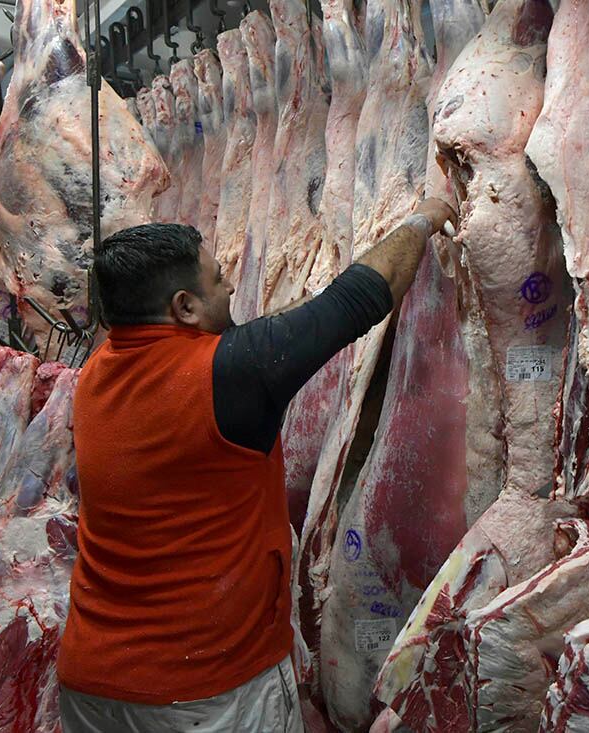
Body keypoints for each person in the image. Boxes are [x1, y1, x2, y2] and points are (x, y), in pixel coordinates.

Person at [56, 198, 458, 732]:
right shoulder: (223, 374)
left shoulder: (95, 376)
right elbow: (363, 293)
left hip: (92, 682)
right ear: (184, 307)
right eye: (218, 279)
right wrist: (425, 217)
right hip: (203, 693)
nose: (229, 288)